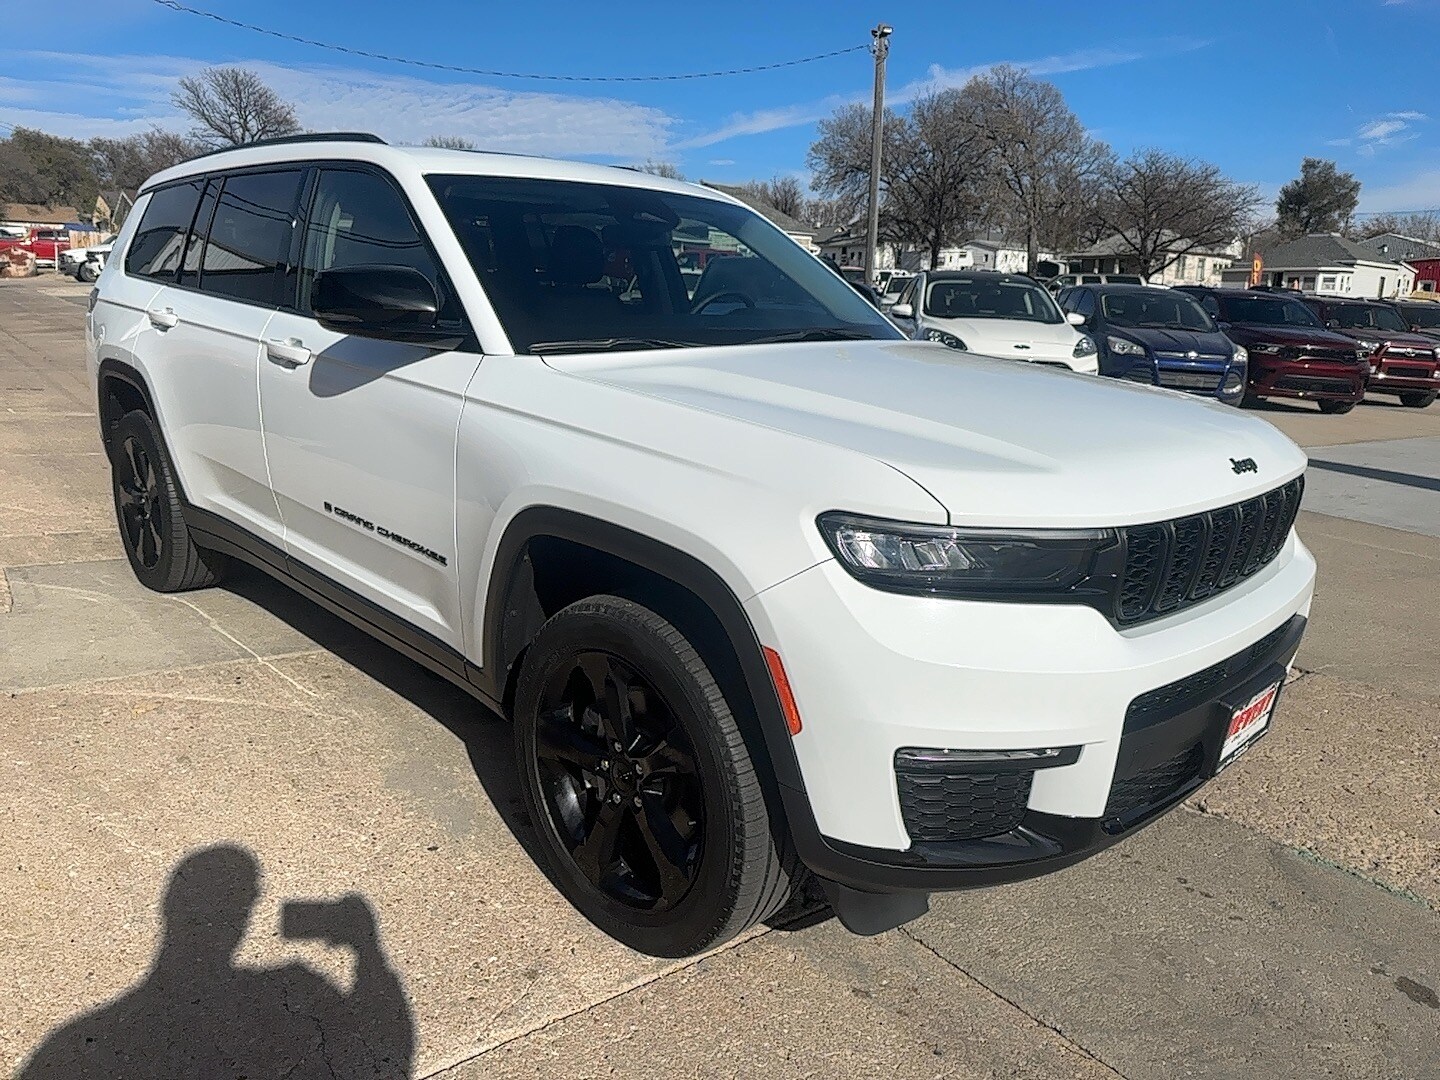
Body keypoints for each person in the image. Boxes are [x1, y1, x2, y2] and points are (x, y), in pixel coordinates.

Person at [19, 845, 414, 1079]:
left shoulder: (71, 1047)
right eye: (247, 901)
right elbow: (390, 1056)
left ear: (169, 909)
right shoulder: (300, 986)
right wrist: (369, 953)